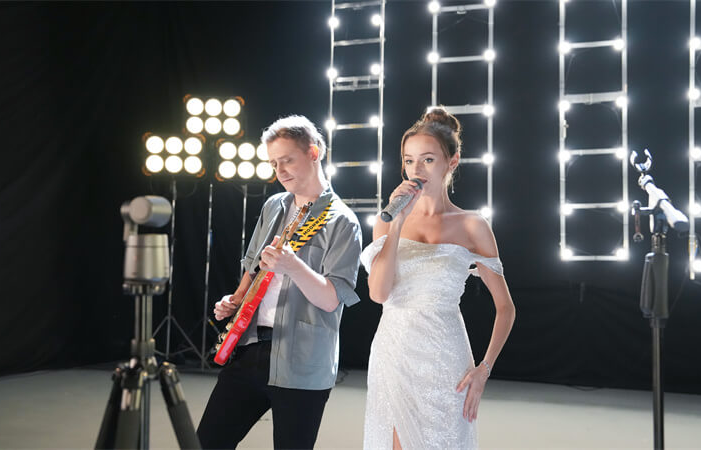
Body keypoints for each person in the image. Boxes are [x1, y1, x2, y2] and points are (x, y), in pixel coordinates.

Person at [196, 115, 362, 449]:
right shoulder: (274, 206)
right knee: (205, 443)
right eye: (273, 163)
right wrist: (235, 300)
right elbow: (252, 265)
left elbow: (332, 299)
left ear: (313, 153)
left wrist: (293, 266)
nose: (280, 171)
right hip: (249, 349)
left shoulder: (342, 221)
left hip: (302, 360)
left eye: (287, 160)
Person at [361, 107, 516, 449]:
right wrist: (397, 224)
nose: (416, 170)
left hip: (446, 358)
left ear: (452, 162)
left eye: (428, 160)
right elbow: (378, 294)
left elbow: (506, 308)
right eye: (409, 160)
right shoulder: (387, 221)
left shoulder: (472, 225)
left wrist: (484, 369)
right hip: (394, 352)